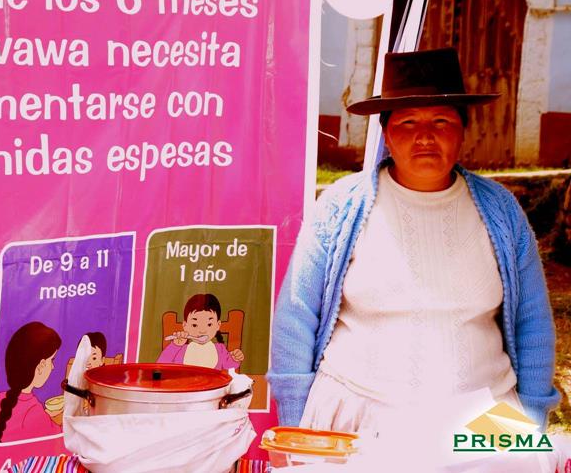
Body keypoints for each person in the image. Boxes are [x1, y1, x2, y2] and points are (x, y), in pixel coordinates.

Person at [267, 48, 559, 434]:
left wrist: (532, 417)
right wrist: (294, 421)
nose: (424, 136)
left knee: (515, 461)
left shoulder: (501, 210)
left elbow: (532, 321)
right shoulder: (340, 207)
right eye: (407, 122)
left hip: (487, 413)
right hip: (356, 411)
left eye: (441, 121)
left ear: (463, 130)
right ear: (387, 134)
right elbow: (297, 315)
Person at [0, 321, 62, 443]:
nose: (53, 367)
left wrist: (46, 416)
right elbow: (62, 440)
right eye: (52, 360)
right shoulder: (34, 412)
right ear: (41, 365)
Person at [157, 293, 245, 370]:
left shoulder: (220, 350)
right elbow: (160, 365)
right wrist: (175, 346)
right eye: (194, 325)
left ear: (218, 325)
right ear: (185, 325)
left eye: (209, 324)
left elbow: (230, 365)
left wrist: (235, 358)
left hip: (212, 384)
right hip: (186, 384)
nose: (202, 331)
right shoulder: (180, 350)